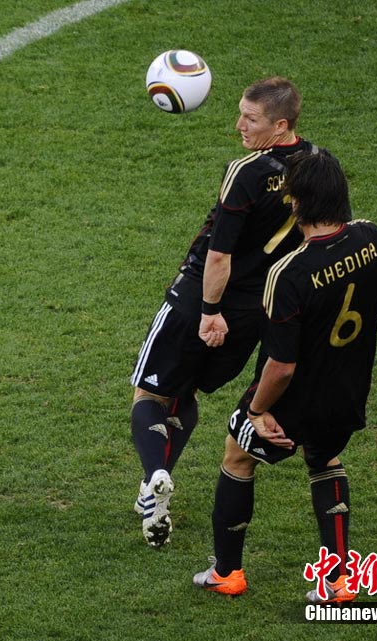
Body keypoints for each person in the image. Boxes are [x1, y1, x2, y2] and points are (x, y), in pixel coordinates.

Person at [192, 150, 377, 601]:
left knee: (237, 456)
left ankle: (227, 573)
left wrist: (258, 410)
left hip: (291, 401)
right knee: (324, 458)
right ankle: (338, 582)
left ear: (297, 203)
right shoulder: (372, 239)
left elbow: (282, 367)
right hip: (347, 393)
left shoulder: (289, 272)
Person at [131, 77, 319, 547]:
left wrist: (209, 310)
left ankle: (154, 477)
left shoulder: (246, 171)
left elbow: (219, 254)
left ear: (280, 125)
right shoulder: (318, 164)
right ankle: (154, 488)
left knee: (149, 393)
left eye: (250, 119)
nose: (239, 125)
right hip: (256, 311)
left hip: (202, 298)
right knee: (187, 390)